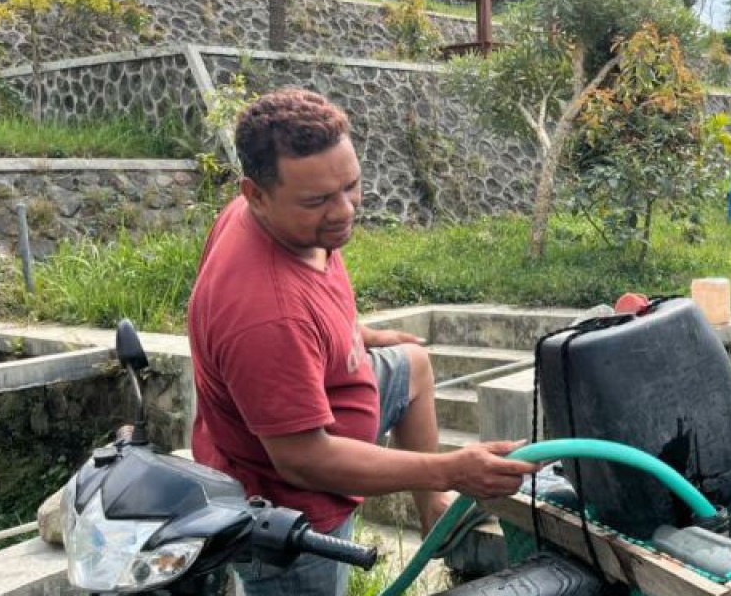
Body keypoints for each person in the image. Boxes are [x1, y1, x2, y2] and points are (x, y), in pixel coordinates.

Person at [188, 89, 538, 596]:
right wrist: (451, 470)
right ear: (255, 193)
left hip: (332, 397)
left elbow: (309, 311)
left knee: (411, 364)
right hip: (292, 504)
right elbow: (302, 458)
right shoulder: (263, 314)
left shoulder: (290, 227)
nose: (344, 210)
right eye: (317, 201)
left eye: (350, 186)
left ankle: (430, 510)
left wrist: (362, 335)